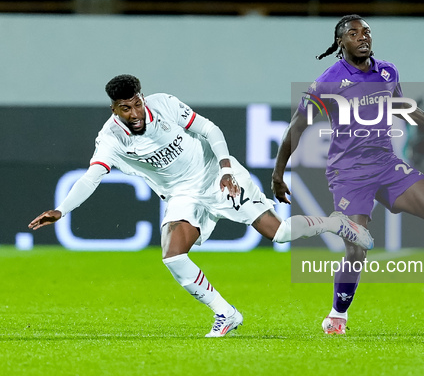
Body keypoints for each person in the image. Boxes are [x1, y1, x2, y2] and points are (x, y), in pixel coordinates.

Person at [28, 74, 373, 338]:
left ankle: (333, 223)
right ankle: (226, 314)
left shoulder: (164, 105)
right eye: (124, 108)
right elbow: (92, 176)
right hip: (182, 193)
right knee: (173, 254)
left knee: (279, 233)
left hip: (216, 175)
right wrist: (62, 210)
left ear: (142, 98)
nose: (133, 113)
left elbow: (210, 129)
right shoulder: (111, 138)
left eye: (135, 103)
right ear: (114, 109)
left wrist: (225, 168)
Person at [272, 15, 424, 335]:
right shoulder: (328, 81)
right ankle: (337, 315)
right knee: (357, 248)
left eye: (366, 32)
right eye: (353, 33)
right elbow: (297, 127)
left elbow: (403, 107)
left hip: (385, 163)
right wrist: (278, 172)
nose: (362, 37)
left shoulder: (388, 71)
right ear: (341, 42)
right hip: (349, 172)